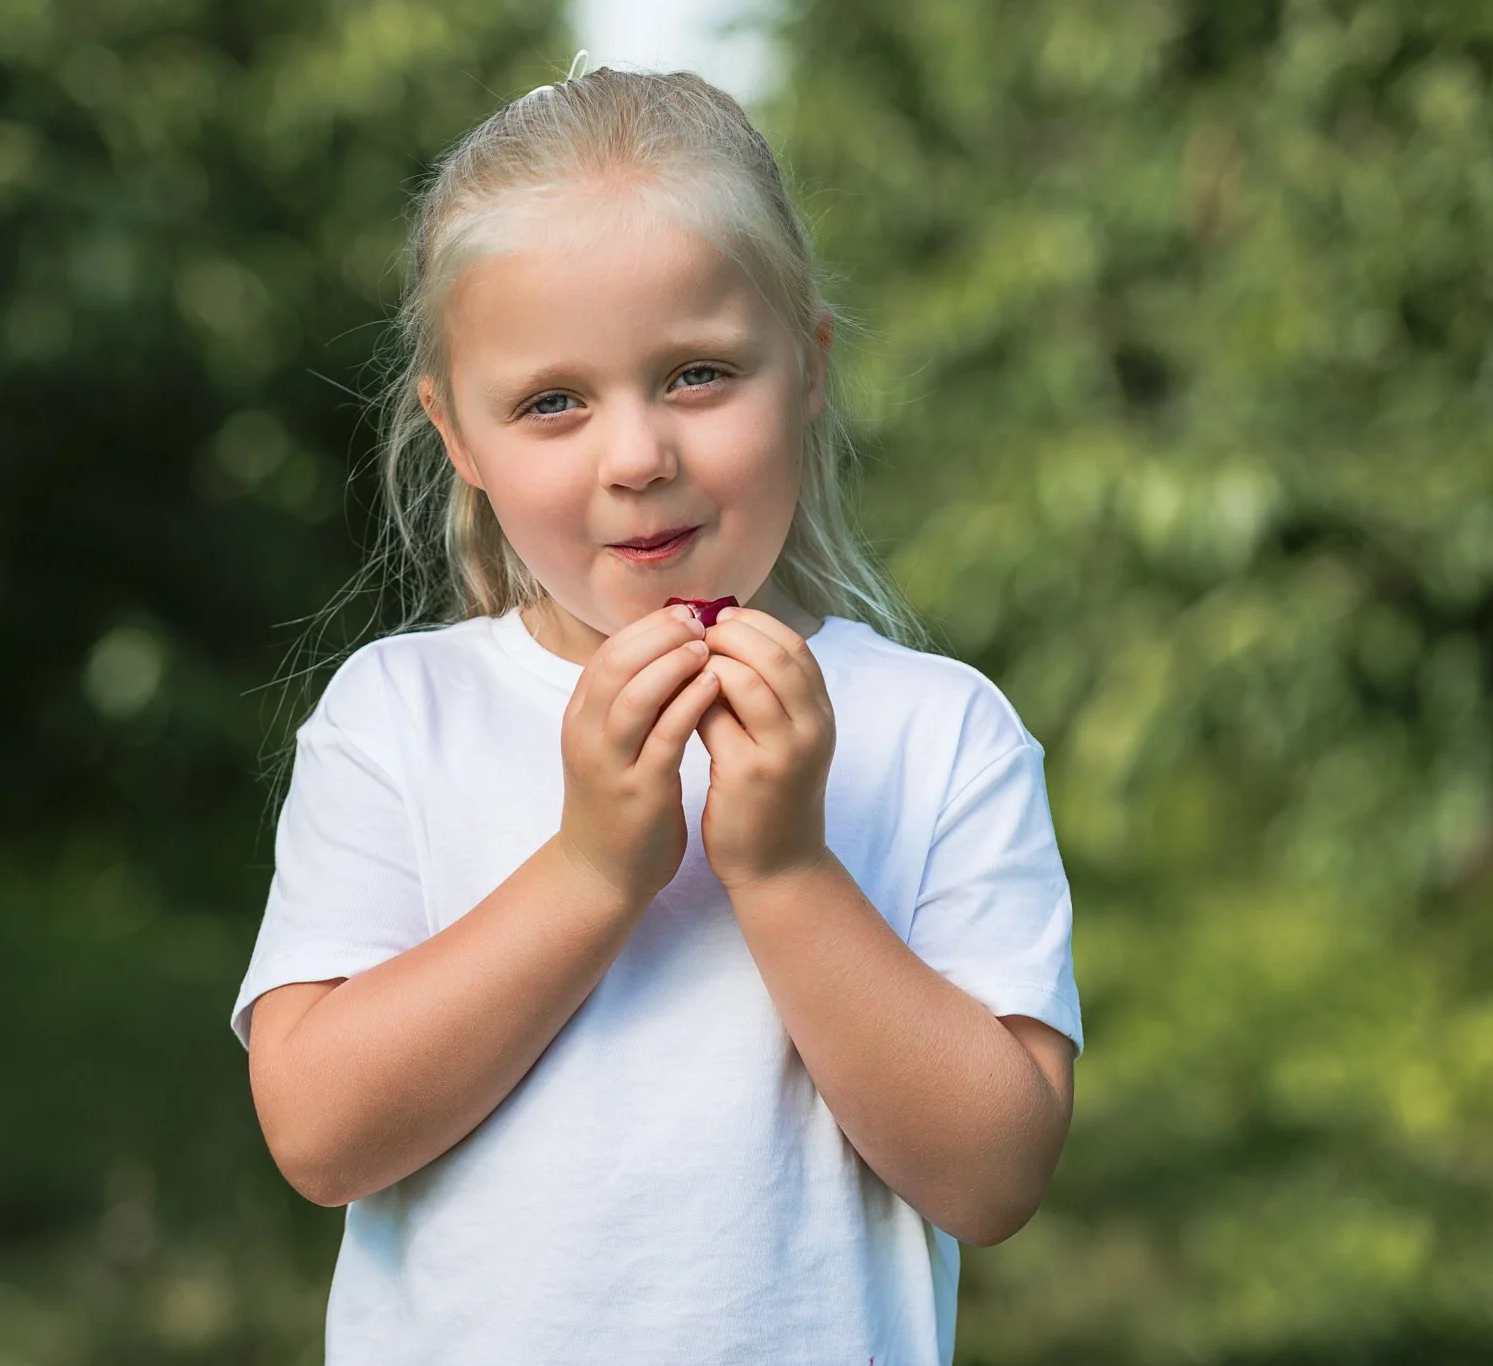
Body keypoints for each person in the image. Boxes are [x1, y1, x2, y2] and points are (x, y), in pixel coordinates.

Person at [229, 56, 1083, 1366]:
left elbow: (994, 1174)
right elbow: (320, 1132)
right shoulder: (400, 718)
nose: (637, 455)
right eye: (553, 401)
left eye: (695, 373)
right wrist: (590, 867)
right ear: (459, 435)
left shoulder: (938, 732)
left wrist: (786, 866)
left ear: (806, 370)